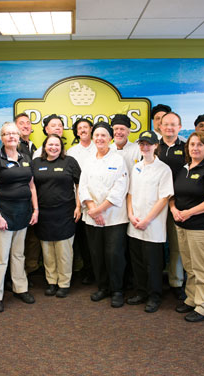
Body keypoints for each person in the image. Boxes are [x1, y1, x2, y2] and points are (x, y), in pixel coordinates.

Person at [170, 132, 204, 322]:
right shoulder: (184, 169)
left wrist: (189, 212)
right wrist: (174, 208)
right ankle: (192, 299)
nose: (195, 148)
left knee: (202, 268)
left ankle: (203, 307)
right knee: (189, 266)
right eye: (192, 144)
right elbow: (173, 195)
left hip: (202, 226)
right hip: (182, 223)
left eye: (200, 145)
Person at [0, 122, 38, 313]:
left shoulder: (25, 157)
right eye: (7, 134)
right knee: (0, 257)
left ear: (18, 137)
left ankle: (20, 288)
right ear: (2, 137)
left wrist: (36, 210)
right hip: (3, 213)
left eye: (14, 134)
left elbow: (31, 186)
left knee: (18, 254)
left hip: (23, 211)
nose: (11, 137)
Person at [79, 122, 129, 308]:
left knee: (114, 254)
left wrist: (100, 210)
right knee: (97, 254)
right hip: (92, 218)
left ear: (110, 139)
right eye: (97, 135)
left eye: (104, 136)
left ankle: (117, 290)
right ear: (93, 138)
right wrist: (92, 209)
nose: (100, 138)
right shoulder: (89, 160)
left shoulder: (118, 160)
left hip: (114, 217)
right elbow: (82, 186)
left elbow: (119, 189)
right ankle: (103, 287)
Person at [126, 131, 173, 313]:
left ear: (155, 146)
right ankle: (141, 292)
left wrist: (147, 220)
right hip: (135, 224)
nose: (145, 147)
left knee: (152, 263)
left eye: (149, 144)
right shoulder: (136, 167)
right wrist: (131, 215)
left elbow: (164, 198)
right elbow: (130, 194)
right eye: (142, 144)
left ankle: (154, 296)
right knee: (137, 261)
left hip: (153, 225)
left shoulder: (164, 169)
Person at [33, 134, 81, 298]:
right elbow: (31, 187)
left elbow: (79, 184)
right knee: (47, 251)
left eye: (57, 145)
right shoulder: (36, 163)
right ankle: (51, 281)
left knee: (64, 251)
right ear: (44, 146)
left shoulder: (70, 162)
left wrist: (79, 206)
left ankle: (64, 283)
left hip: (65, 212)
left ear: (61, 147)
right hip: (44, 214)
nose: (53, 147)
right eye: (50, 144)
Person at [158, 112, 186, 300]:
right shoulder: (153, 147)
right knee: (156, 243)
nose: (169, 128)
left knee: (176, 245)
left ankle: (176, 281)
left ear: (179, 127)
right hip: (155, 205)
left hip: (179, 204)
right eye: (165, 124)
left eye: (173, 125)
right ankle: (155, 280)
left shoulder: (186, 148)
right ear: (160, 126)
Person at [67, 118, 96, 285]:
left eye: (86, 127)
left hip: (96, 202)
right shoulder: (72, 152)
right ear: (77, 132)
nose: (83, 130)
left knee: (94, 240)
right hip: (77, 202)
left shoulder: (98, 147)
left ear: (91, 129)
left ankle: (96, 270)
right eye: (80, 128)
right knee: (81, 241)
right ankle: (86, 270)